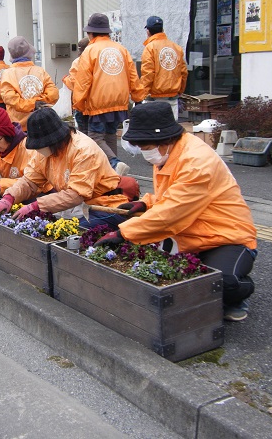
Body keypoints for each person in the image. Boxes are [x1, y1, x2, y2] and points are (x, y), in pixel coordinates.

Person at [94, 103, 257, 322]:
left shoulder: (196, 162)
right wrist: (145, 203)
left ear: (164, 139)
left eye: (145, 145)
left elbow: (172, 213)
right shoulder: (167, 153)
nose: (144, 151)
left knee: (223, 281)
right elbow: (169, 196)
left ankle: (239, 294)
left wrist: (122, 234)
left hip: (226, 236)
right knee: (174, 275)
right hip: (190, 233)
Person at [0, 107, 140, 229]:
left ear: (53, 140)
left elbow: (75, 195)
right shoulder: (44, 151)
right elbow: (30, 181)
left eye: (40, 146)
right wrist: (10, 197)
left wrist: (36, 206)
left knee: (76, 234)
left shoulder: (83, 150)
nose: (37, 150)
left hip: (103, 206)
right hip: (78, 207)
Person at [73, 13, 142, 174]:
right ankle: (114, 174)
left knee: (95, 138)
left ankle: (114, 163)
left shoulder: (90, 51)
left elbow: (83, 82)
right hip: (120, 103)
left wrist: (79, 105)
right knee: (110, 135)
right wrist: (138, 98)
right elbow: (133, 75)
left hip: (98, 102)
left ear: (90, 33)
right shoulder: (121, 49)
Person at [0, 36, 58, 132]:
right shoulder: (40, 71)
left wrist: (32, 104)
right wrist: (40, 103)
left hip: (19, 126)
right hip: (42, 122)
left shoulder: (8, 74)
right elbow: (53, 93)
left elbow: (10, 99)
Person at [138, 16, 189, 120]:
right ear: (162, 29)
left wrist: (142, 94)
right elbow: (183, 72)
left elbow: (148, 74)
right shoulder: (176, 48)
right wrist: (180, 90)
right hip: (172, 98)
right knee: (171, 132)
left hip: (153, 99)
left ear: (148, 31)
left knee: (154, 131)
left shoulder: (150, 48)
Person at [62, 37, 89, 134]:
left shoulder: (78, 62)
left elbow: (74, 83)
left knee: (84, 133)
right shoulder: (97, 59)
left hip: (81, 103)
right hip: (96, 105)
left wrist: (66, 79)